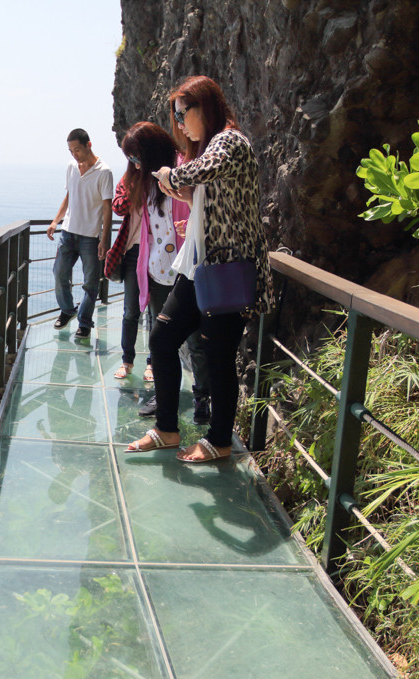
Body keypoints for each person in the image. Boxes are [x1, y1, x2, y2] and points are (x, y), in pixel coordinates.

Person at [126, 75, 274, 462]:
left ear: (203, 106)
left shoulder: (229, 141)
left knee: (218, 354)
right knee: (162, 339)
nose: (178, 123)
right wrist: (189, 208)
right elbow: (213, 198)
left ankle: (219, 440)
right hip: (197, 266)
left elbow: (196, 172)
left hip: (225, 268)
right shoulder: (213, 148)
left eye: (182, 112)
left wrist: (168, 177)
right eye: (174, 115)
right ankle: (167, 429)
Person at [107, 121, 210, 425]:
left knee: (193, 340)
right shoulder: (146, 179)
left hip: (186, 271)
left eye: (137, 157)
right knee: (161, 341)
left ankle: (203, 398)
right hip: (156, 272)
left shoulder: (182, 169)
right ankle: (166, 397)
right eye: (132, 159)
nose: (135, 163)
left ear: (151, 151)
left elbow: (201, 209)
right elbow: (125, 207)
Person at [47, 129, 114, 339]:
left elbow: (107, 209)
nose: (74, 154)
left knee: (90, 284)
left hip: (90, 237)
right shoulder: (71, 167)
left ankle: (84, 323)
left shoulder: (104, 172)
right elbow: (69, 196)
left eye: (77, 149)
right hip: (67, 233)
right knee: (59, 273)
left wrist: (105, 240)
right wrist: (55, 221)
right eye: (70, 150)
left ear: (88, 145)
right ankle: (67, 310)